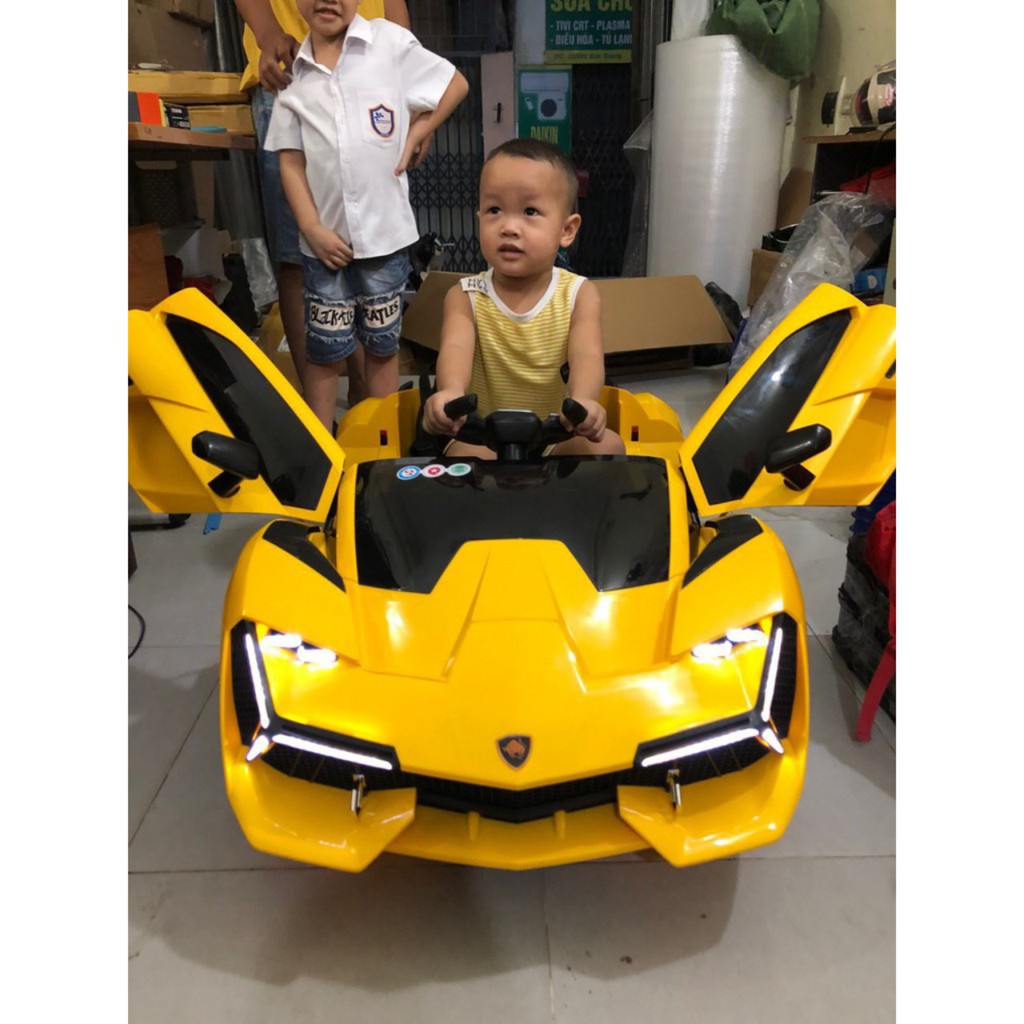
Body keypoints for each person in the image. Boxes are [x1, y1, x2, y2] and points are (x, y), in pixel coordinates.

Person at [261, 1, 468, 431]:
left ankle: (381, 439)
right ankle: (323, 447)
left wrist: (420, 128)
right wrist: (311, 228)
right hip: (323, 248)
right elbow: (290, 162)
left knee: (382, 347)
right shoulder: (294, 74)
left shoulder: (389, 44)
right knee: (324, 351)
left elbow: (455, 84)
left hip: (384, 239)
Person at [235, 0, 423, 409]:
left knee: (372, 257)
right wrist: (268, 34)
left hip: (373, 71)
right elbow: (291, 167)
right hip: (287, 64)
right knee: (298, 256)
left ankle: (368, 411)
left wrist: (413, 98)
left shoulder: (388, 46)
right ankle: (317, 420)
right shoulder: (294, 85)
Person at [422, 138, 625, 458]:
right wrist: (450, 391)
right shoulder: (466, 294)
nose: (509, 227)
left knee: (608, 446)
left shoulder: (578, 293)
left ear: (567, 230)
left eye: (530, 211)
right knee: (463, 459)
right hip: (483, 436)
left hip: (555, 434)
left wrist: (584, 399)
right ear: (479, 218)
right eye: (494, 210)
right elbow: (456, 348)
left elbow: (586, 353)